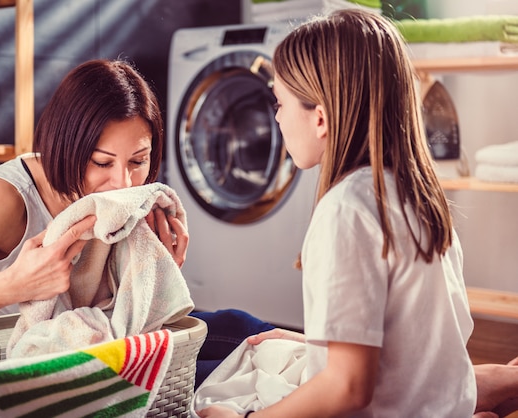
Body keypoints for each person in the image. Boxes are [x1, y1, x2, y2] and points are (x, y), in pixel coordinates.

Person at [195, 9, 477, 417]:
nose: (275, 117)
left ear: (321, 118)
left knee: (205, 403)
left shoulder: (347, 210)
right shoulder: (418, 197)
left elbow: (347, 387)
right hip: (441, 406)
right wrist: (317, 346)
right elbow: (413, 348)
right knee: (247, 336)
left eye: (279, 103)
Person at [0, 59, 188, 332]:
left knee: (233, 324)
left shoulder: (139, 201)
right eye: (101, 162)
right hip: (5, 358)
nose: (124, 183)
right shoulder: (5, 200)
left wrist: (158, 270)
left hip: (94, 343)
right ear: (66, 146)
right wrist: (13, 286)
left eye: (138, 161)